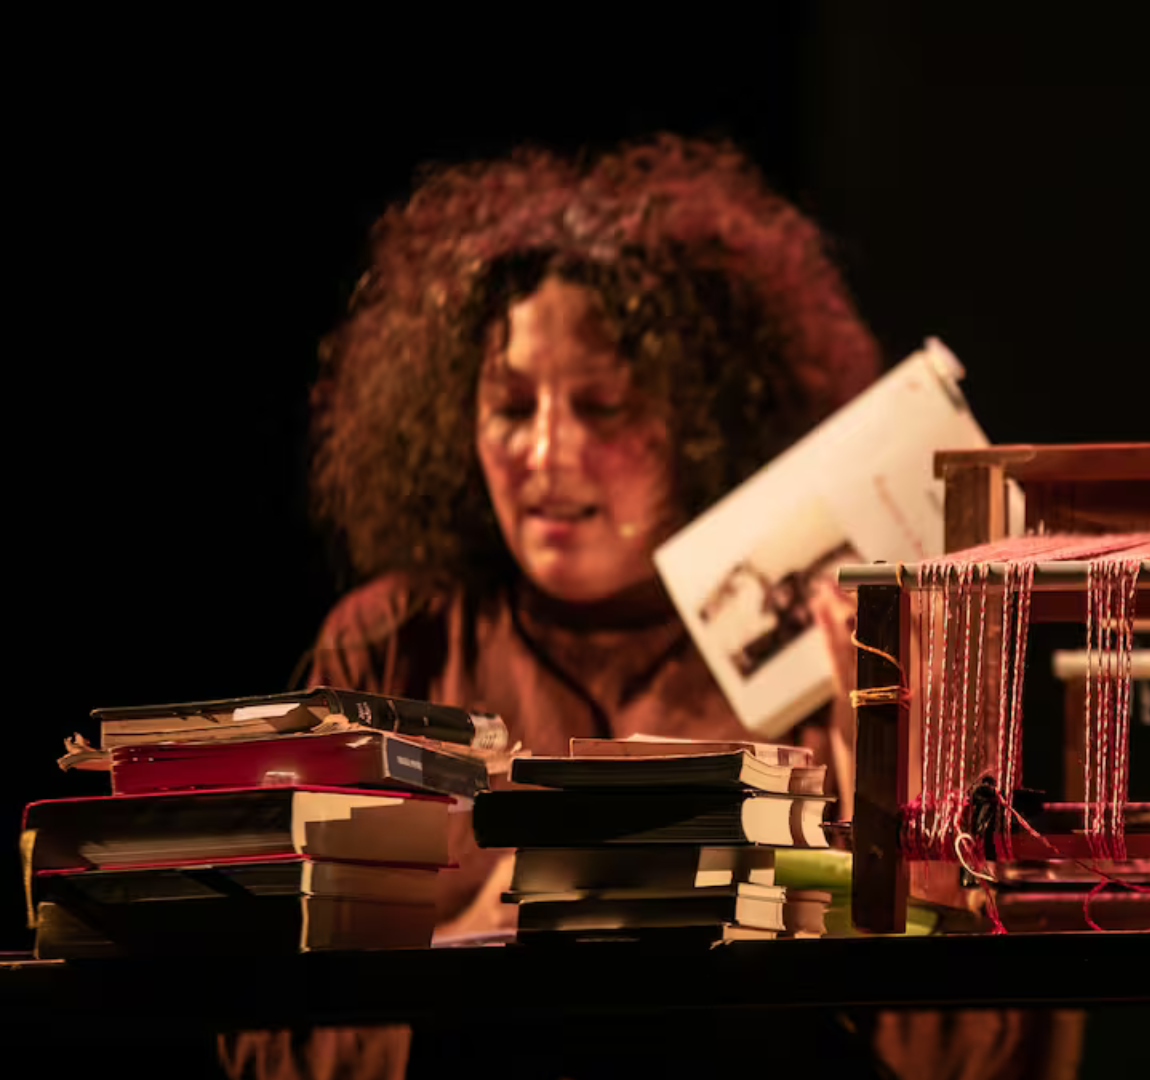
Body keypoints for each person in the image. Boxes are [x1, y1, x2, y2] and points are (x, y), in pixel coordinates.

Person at [217, 135, 1081, 1080]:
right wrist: (476, 938)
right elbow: (266, 1039)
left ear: (700, 423)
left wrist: (895, 795)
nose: (547, 454)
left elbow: (976, 1059)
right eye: (512, 407)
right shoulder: (393, 650)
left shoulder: (843, 664)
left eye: (601, 406)